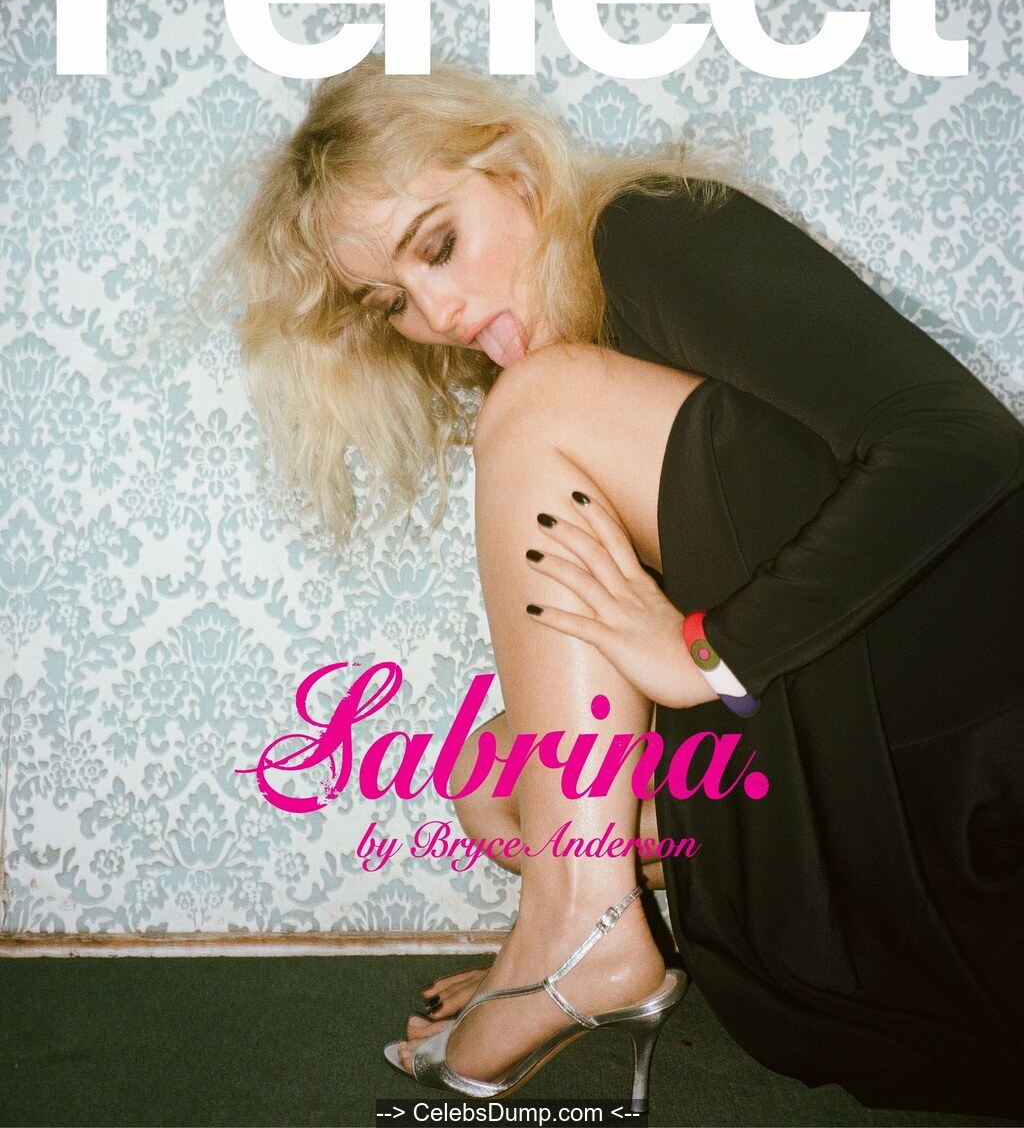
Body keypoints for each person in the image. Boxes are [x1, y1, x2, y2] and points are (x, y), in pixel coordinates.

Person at [225, 54, 1024, 1117]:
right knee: (496, 775)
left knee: (538, 406)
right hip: (876, 775)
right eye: (392, 301)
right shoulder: (585, 348)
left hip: (974, 768)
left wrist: (712, 649)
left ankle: (579, 938)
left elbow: (962, 444)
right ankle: (573, 933)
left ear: (514, 169)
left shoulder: (649, 227)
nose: (439, 311)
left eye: (438, 245)